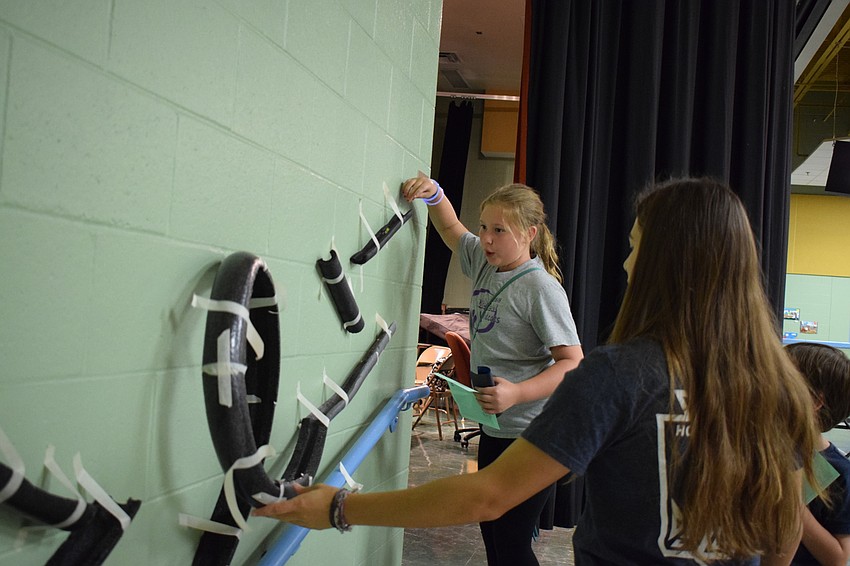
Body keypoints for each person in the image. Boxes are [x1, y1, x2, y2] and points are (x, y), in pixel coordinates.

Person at [254, 177, 821, 565]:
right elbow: (783, 528)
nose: (627, 264)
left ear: (664, 264)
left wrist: (338, 507)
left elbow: (488, 496)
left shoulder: (617, 374)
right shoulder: (781, 387)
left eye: (635, 249)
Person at [409, 173, 583, 565]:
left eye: (499, 230)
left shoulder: (540, 288)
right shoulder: (486, 262)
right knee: (493, 533)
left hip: (533, 433)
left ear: (529, 234)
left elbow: (573, 363)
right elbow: (451, 229)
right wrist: (434, 193)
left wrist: (517, 393)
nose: (486, 238)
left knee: (510, 541)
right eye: (484, 227)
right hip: (496, 427)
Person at [785, 343, 850, 566]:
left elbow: (838, 558)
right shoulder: (765, 453)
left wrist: (794, 507)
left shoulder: (838, 472)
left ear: (815, 402)